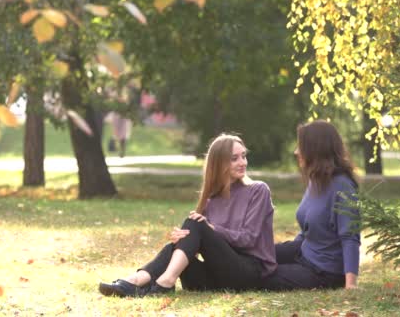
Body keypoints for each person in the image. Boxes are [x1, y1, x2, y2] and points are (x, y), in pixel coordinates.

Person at [99, 134, 276, 297]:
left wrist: (211, 229)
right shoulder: (211, 200)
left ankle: (163, 283)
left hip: (248, 274)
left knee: (196, 223)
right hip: (217, 278)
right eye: (234, 158)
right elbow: (207, 244)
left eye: (243, 156)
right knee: (179, 240)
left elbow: (248, 240)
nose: (242, 162)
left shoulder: (258, 190)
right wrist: (182, 241)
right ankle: (136, 281)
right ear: (219, 163)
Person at [262, 120, 361, 291]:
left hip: (324, 271)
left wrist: (351, 284)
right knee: (258, 255)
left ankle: (212, 278)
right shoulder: (317, 179)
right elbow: (308, 228)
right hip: (304, 251)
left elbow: (350, 237)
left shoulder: (343, 187)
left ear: (316, 149)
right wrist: (290, 251)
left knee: (263, 275)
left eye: (300, 146)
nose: (296, 151)